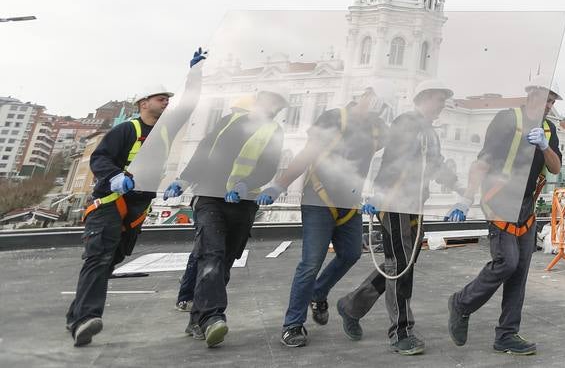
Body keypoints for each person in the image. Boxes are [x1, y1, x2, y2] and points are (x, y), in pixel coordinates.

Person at [259, 83, 391, 348]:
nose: (378, 108)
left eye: (384, 106)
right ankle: (293, 324)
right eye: (376, 100)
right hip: (319, 199)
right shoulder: (334, 118)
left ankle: (319, 292)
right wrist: (279, 185)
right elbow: (308, 154)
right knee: (311, 262)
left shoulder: (378, 128)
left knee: (351, 253)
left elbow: (393, 157)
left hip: (350, 201)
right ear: (364, 95)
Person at [336, 78, 455, 356]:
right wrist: (378, 198)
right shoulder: (406, 124)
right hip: (395, 204)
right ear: (424, 98)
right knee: (401, 264)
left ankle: (351, 306)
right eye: (439, 98)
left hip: (414, 205)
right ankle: (401, 331)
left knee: (401, 263)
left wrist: (461, 188)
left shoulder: (429, 132)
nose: (442, 104)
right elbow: (391, 164)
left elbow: (434, 165)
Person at [448, 84, 563, 357]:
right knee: (507, 262)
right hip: (499, 201)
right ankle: (462, 303)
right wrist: (466, 198)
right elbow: (483, 162)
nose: (548, 105)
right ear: (531, 95)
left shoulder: (548, 129)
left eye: (552, 101)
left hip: (526, 206)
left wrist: (545, 147)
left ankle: (507, 334)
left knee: (519, 271)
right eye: (545, 99)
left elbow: (556, 168)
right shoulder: (507, 119)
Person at [166, 89, 287, 347]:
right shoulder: (229, 121)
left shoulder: (273, 131)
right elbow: (204, 150)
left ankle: (197, 321)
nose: (270, 107)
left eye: (275, 105)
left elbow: (268, 166)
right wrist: (184, 179)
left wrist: (247, 184)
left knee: (225, 261)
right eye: (268, 101)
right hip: (209, 196)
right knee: (212, 254)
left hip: (242, 203)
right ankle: (213, 318)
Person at [64, 78, 177, 346]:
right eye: (160, 98)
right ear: (144, 103)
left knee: (111, 259)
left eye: (167, 99)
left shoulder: (162, 135)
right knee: (99, 258)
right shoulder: (126, 130)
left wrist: (173, 181)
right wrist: (114, 176)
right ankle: (85, 320)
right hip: (110, 203)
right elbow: (99, 158)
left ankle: (75, 313)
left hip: (136, 208)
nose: (166, 102)